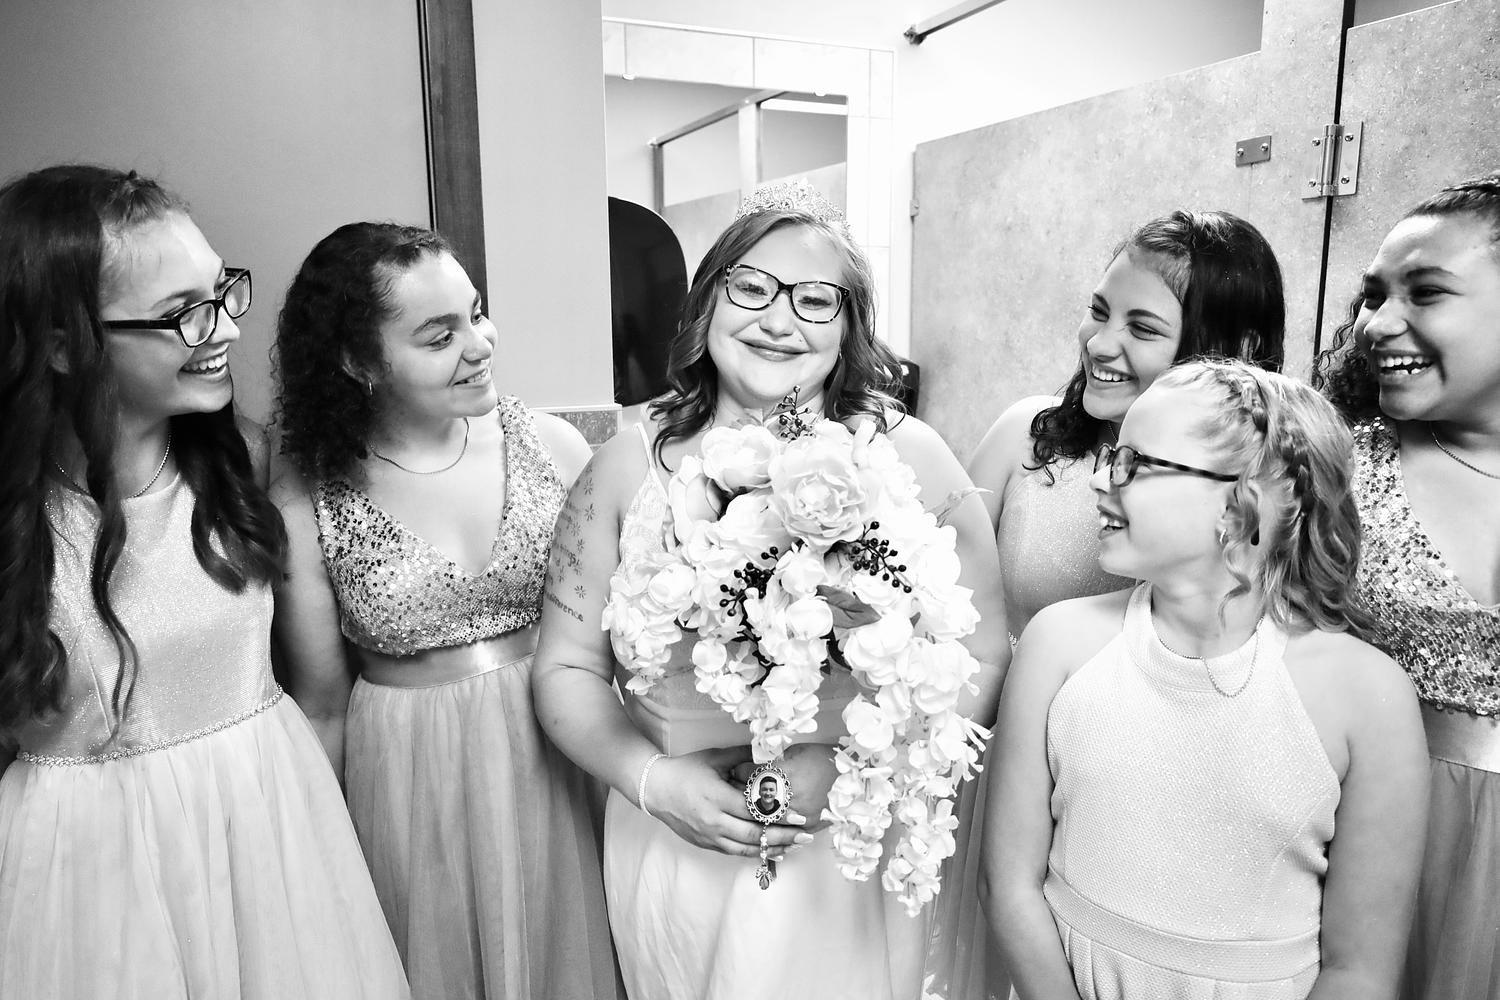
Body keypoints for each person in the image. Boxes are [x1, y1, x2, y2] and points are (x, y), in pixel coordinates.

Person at [532, 184, 1010, 1000]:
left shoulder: (913, 458)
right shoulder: (622, 467)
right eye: (750, 287)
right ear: (707, 300)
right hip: (676, 844)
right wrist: (651, 782)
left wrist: (857, 766)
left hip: (845, 846)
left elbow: (984, 649)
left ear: (850, 325)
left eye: (814, 300)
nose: (778, 320)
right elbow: (565, 667)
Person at [0, 165, 409, 998]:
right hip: (91, 877)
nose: (223, 326)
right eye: (182, 312)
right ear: (63, 343)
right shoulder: (18, 518)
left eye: (222, 291)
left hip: (268, 836)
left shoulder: (248, 465)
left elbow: (319, 693)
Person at [981, 358, 1429, 1000]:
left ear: (1240, 506)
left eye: (1135, 463)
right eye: (1112, 457)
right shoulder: (1058, 644)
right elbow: (1008, 885)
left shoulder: (1367, 697)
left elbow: (1359, 968)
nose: (1101, 479)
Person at [933, 210, 1288, 1000]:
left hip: (1144, 797)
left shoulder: (1254, 501)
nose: (1100, 342)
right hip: (997, 764)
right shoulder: (1025, 438)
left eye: (1142, 327)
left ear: (1227, 352)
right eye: (1098, 311)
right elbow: (936, 607)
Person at [270, 222, 619, 1000]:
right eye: (439, 336)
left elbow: (616, 643)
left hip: (558, 750)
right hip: (409, 778)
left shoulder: (555, 447)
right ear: (359, 361)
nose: (479, 344)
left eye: (477, 314)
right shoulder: (309, 496)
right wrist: (323, 859)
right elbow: (322, 706)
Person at [1315, 173, 1500, 1000]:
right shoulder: (1333, 469)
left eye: (1424, 293)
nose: (1376, 324)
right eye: (1373, 296)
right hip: (1367, 852)